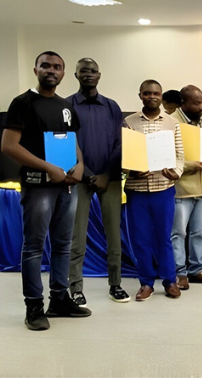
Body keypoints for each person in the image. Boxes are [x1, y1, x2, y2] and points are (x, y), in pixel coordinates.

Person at [1, 51, 91, 330]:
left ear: (64, 73)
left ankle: (60, 299)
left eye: (57, 67)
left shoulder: (66, 105)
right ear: (35, 69)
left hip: (67, 187)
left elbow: (73, 140)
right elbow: (9, 146)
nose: (51, 70)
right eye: (46, 66)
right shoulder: (22, 103)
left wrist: (80, 164)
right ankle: (34, 307)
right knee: (34, 248)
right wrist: (48, 168)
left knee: (64, 245)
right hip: (38, 186)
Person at [66, 58, 129, 304]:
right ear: (76, 74)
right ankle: (75, 287)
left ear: (99, 75)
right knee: (76, 235)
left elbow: (120, 142)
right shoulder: (66, 105)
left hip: (110, 178)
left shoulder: (112, 107)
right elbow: (66, 141)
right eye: (84, 71)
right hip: (79, 178)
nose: (88, 74)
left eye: (92, 71)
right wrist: (88, 173)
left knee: (114, 233)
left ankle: (116, 285)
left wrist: (105, 174)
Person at [123, 79, 184, 301]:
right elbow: (124, 156)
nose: (152, 96)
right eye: (147, 93)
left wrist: (175, 172)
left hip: (163, 188)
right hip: (137, 190)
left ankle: (170, 281)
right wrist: (131, 171)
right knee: (140, 239)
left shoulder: (171, 123)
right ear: (140, 95)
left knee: (164, 238)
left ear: (161, 96)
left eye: (156, 93)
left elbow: (179, 155)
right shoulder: (128, 122)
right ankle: (146, 283)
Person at [169, 85, 202, 289]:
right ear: (184, 102)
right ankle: (179, 273)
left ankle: (196, 270)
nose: (201, 107)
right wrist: (191, 165)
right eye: (197, 103)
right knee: (178, 233)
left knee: (200, 232)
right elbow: (168, 156)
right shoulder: (171, 122)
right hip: (183, 186)